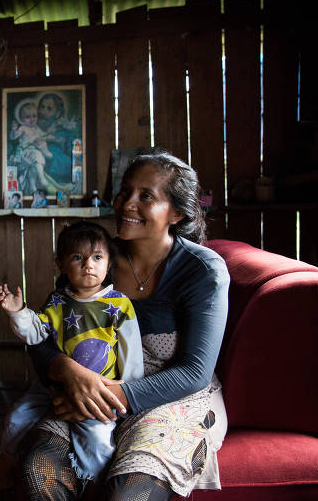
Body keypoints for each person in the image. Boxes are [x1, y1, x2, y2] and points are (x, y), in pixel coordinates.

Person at [17, 152, 230, 500]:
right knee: (39, 472)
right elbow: (44, 336)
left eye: (146, 196)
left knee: (128, 495)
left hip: (170, 395)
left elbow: (195, 371)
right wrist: (69, 372)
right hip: (90, 383)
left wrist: (110, 398)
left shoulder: (202, 270)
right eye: (125, 191)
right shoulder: (94, 258)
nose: (126, 203)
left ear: (176, 213)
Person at [0, 222, 143, 500]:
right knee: (15, 419)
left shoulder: (119, 305)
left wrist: (124, 395)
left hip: (97, 393)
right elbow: (36, 335)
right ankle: (2, 478)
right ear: (61, 265)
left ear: (108, 263)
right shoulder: (56, 302)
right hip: (52, 389)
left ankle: (90, 490)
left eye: (97, 257)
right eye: (78, 257)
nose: (88, 265)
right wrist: (18, 311)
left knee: (99, 442)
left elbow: (132, 355)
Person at [9, 99, 52, 193]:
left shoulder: (37, 129)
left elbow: (45, 135)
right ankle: (41, 178)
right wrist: (14, 130)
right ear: (21, 119)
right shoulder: (23, 128)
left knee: (35, 166)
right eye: (28, 117)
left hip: (34, 150)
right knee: (36, 156)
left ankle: (35, 183)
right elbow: (13, 137)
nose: (32, 119)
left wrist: (55, 138)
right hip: (25, 151)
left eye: (34, 116)